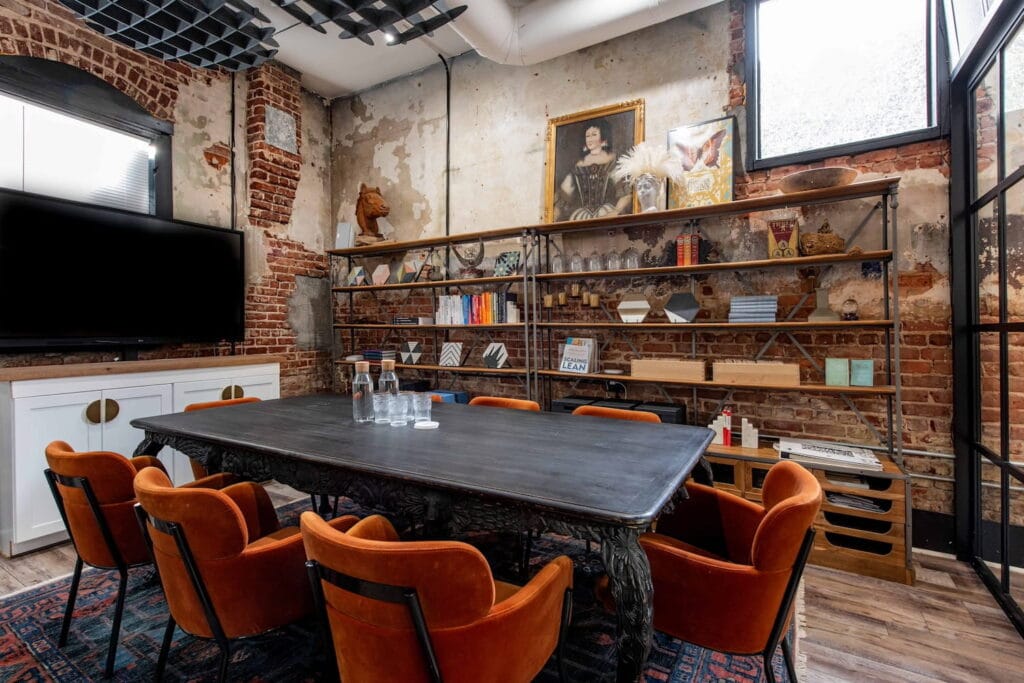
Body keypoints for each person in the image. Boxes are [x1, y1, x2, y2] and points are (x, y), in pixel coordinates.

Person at [555, 119, 632, 222]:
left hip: (606, 213)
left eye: (594, 134)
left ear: (604, 138)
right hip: (582, 217)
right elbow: (563, 198)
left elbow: (626, 194)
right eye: (587, 136)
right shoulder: (578, 166)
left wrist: (616, 211)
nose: (590, 139)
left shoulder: (611, 162)